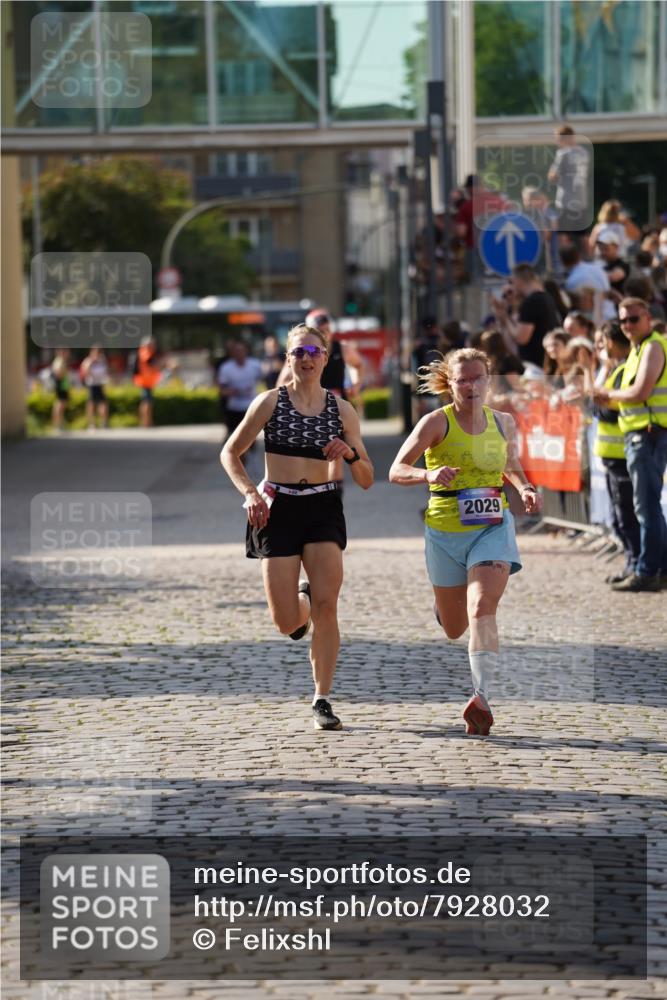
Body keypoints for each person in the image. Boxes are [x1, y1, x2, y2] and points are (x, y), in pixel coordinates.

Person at [220, 322, 374, 731]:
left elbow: (367, 478)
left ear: (326, 357)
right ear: (287, 359)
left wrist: (352, 455)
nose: (306, 359)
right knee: (287, 622)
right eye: (298, 352)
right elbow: (230, 453)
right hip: (278, 508)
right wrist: (251, 494)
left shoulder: (341, 410)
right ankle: (299, 605)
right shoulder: (270, 403)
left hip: (323, 505)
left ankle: (322, 698)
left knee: (329, 606)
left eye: (313, 352)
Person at [388, 348, 541, 736]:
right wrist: (428, 474)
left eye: (479, 378)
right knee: (455, 627)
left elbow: (510, 464)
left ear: (489, 381)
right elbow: (396, 470)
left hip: (492, 526)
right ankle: (444, 608)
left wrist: (524, 488)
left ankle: (481, 696)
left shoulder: (503, 422)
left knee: (481, 605)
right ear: (449, 383)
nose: (472, 386)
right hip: (445, 532)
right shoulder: (435, 423)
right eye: (463, 380)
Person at [592, 297, 667, 591]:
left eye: (633, 319)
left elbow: (640, 391)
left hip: (648, 434)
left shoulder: (652, 346)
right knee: (644, 507)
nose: (628, 326)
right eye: (623, 321)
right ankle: (650, 567)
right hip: (639, 435)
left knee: (646, 507)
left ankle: (649, 571)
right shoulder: (638, 349)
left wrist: (607, 395)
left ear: (647, 317)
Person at [592, 321, 640, 585]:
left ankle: (637, 565)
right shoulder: (615, 369)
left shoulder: (624, 369)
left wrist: (600, 402)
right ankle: (631, 563)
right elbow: (599, 403)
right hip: (613, 456)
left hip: (621, 455)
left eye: (602, 341)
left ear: (611, 342)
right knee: (619, 517)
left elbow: (609, 410)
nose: (600, 347)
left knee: (626, 516)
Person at [277, 308, 363, 400]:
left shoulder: (342, 348)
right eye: (320, 332)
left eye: (327, 329)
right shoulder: (300, 354)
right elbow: (282, 384)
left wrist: (355, 385)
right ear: (311, 333)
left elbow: (358, 365)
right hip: (311, 408)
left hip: (337, 406)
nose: (325, 335)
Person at [495, 264, 560, 368]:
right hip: (544, 363)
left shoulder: (531, 301)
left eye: (512, 282)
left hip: (535, 366)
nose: (512, 287)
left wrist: (505, 318)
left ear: (518, 280)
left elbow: (521, 337)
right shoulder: (546, 297)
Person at [217, 341, 263, 447]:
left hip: (251, 407)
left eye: (241, 350)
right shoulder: (226, 368)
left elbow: (264, 382)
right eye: (236, 351)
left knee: (249, 439)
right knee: (233, 438)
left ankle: (248, 455)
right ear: (233, 353)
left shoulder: (255, 365)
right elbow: (221, 390)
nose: (239, 353)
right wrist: (232, 392)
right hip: (234, 408)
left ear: (246, 351)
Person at [547, 125, 590, 237]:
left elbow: (553, 176)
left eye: (558, 138)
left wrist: (552, 174)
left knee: (563, 237)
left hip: (566, 202)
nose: (557, 142)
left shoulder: (563, 153)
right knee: (582, 236)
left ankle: (564, 255)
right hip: (581, 202)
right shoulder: (584, 153)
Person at [133, 337, 162, 428]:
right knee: (147, 402)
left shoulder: (147, 352)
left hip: (147, 382)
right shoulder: (145, 352)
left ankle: (147, 422)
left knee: (147, 402)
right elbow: (150, 363)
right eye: (152, 344)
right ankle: (146, 422)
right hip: (145, 382)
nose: (154, 346)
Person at [80, 347, 109, 430]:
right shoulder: (88, 361)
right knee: (91, 404)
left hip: (100, 384)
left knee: (103, 403)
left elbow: (106, 371)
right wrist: (91, 361)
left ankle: (104, 422)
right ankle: (91, 424)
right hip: (92, 385)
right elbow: (85, 371)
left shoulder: (102, 361)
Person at [50, 349, 71, 431]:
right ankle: (57, 425)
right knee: (59, 404)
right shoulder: (59, 361)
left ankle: (60, 424)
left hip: (63, 385)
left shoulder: (61, 361)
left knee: (61, 405)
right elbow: (58, 373)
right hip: (61, 385)